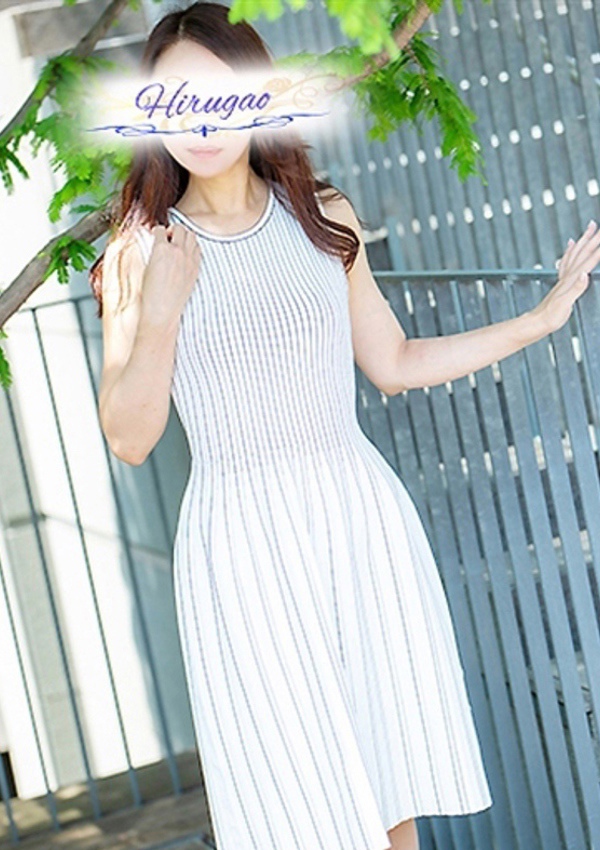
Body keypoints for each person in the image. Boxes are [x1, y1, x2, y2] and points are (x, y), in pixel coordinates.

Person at [90, 4, 600, 849]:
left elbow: (393, 361)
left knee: (389, 791)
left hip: (356, 517)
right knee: (296, 804)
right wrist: (164, 312)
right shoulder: (140, 251)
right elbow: (129, 437)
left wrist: (537, 321)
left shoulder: (323, 214)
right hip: (240, 542)